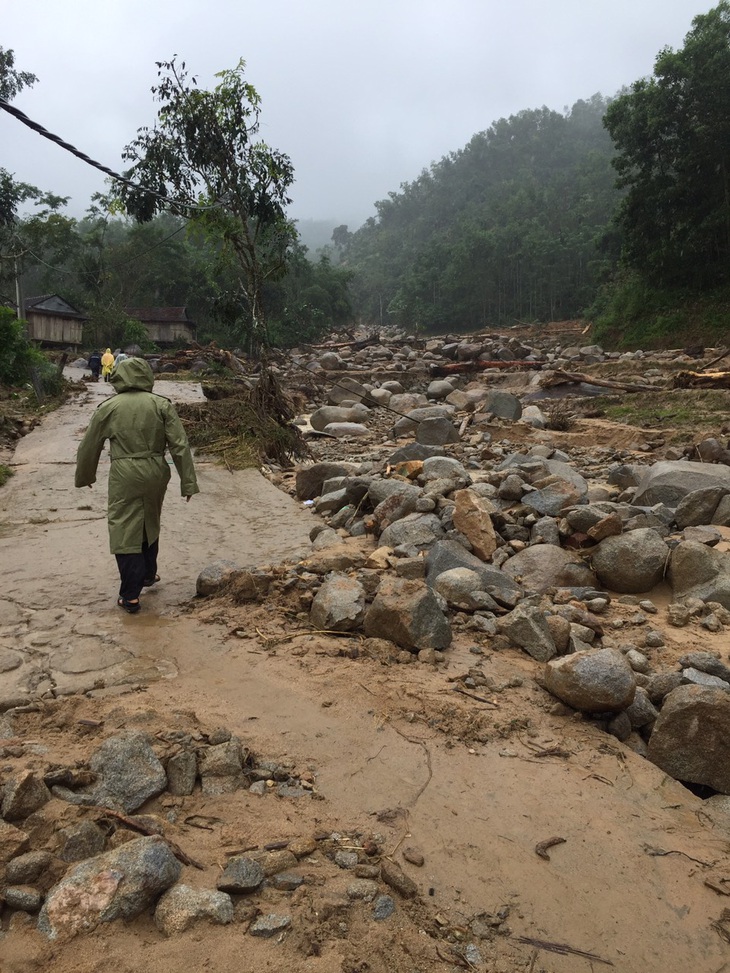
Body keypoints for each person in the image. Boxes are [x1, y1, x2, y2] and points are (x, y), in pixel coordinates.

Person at [74, 357, 199, 614]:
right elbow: (180, 445)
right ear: (147, 376)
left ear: (119, 376)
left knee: (124, 528)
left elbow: (89, 445)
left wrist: (85, 476)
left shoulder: (109, 407)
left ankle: (130, 595)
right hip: (156, 470)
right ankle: (148, 575)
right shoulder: (161, 405)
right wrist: (188, 483)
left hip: (125, 472)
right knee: (149, 520)